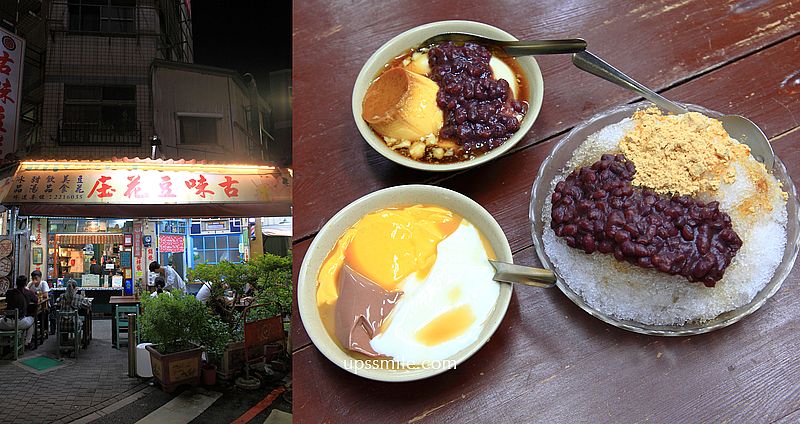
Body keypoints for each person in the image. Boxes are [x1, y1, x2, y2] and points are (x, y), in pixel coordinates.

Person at [0, 276, 35, 347]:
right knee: (32, 320)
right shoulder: (28, 292)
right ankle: (27, 342)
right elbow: (36, 300)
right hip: (20, 323)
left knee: (1, 319)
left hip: (6, 323)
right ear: (25, 283)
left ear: (16, 283)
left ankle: (5, 342)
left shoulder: (9, 292)